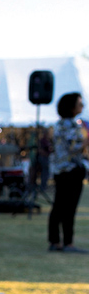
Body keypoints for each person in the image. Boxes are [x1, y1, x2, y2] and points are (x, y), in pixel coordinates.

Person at [48, 92, 88, 252]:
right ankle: (64, 242)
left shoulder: (63, 124)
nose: (82, 106)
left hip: (65, 170)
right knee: (66, 207)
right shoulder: (68, 125)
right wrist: (86, 141)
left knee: (62, 206)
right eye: (79, 104)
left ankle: (58, 241)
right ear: (71, 107)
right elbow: (73, 148)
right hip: (68, 170)